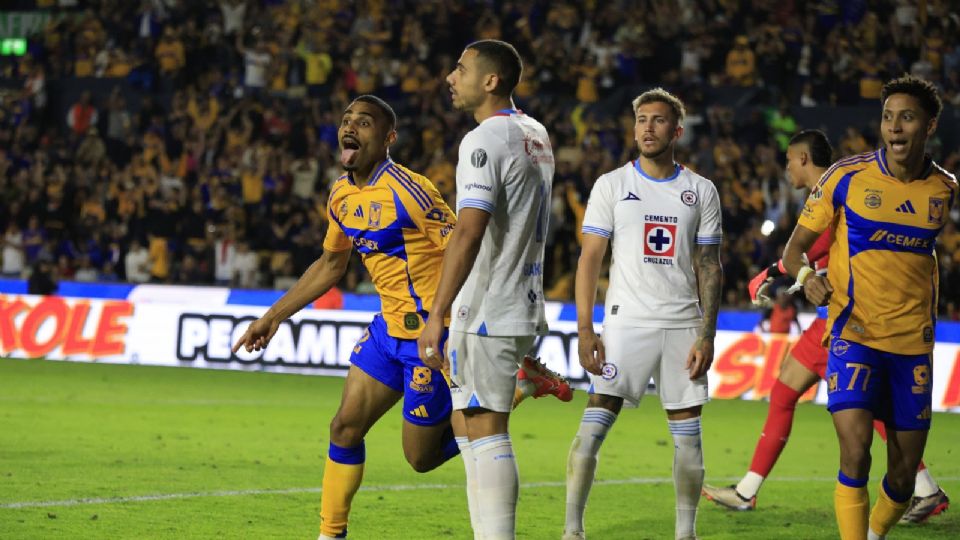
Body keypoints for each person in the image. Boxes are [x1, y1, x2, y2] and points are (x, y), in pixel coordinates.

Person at [233, 95, 566, 540]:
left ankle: (521, 385)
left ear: (388, 139)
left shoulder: (412, 191)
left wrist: (453, 320)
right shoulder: (341, 193)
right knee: (344, 427)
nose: (351, 127)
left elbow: (464, 247)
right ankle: (330, 534)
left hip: (431, 338)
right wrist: (273, 316)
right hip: (386, 332)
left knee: (420, 458)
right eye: (347, 120)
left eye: (364, 123)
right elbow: (332, 264)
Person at [703, 130, 949, 523]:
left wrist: (772, 271)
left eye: (788, 160)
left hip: (847, 321)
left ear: (803, 159)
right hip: (835, 319)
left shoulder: (840, 185)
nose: (785, 168)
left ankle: (921, 488)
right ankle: (748, 489)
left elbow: (817, 246)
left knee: (856, 408)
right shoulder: (841, 185)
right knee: (794, 394)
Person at [778, 76, 957, 539]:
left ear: (931, 125)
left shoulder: (944, 189)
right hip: (853, 334)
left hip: (912, 346)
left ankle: (875, 533)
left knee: (902, 474)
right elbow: (794, 250)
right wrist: (806, 279)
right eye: (887, 117)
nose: (894, 127)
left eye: (907, 117)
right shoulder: (846, 177)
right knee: (855, 450)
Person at [562, 88, 723, 540]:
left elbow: (709, 266)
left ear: (677, 130)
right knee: (592, 427)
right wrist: (585, 329)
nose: (647, 128)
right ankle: (572, 531)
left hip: (682, 326)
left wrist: (706, 334)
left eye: (657, 120)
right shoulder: (612, 185)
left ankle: (684, 533)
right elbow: (589, 259)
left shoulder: (700, 190)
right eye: (641, 120)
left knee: (688, 436)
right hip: (626, 323)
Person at [418, 39, 558, 540]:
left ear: (491, 81)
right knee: (466, 424)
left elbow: (469, 230)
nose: (450, 78)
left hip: (487, 306)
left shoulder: (482, 140)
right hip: (517, 298)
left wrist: (437, 312)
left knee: (486, 427)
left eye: (460, 69)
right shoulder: (536, 133)